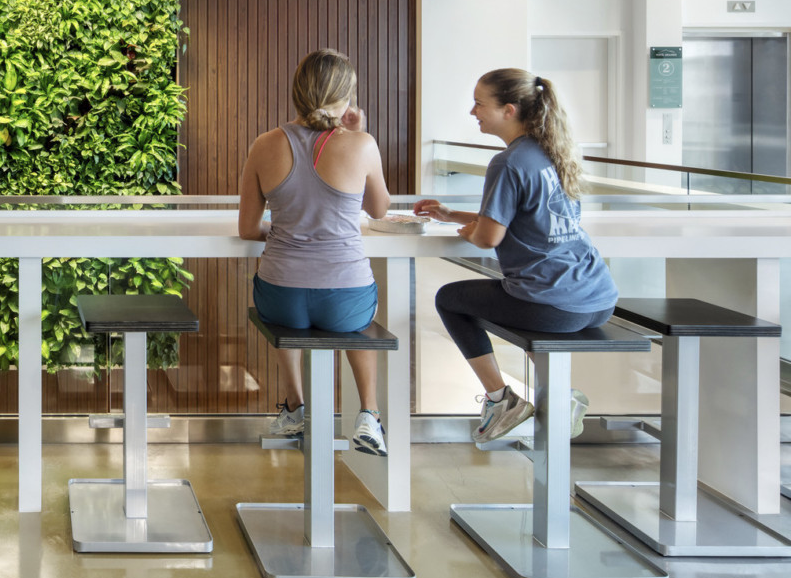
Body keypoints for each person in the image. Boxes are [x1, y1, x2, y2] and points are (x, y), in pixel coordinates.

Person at [415, 68, 617, 443]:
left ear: (509, 110)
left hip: (554, 304)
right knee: (515, 301)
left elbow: (489, 237)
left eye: (479, 103)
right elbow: (519, 217)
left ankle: (502, 400)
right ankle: (560, 398)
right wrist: (450, 215)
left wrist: (473, 231)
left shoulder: (507, 162)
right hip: (598, 296)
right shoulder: (551, 151)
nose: (473, 112)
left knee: (450, 299)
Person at [239, 49, 391, 454]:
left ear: (298, 92)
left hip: (281, 297)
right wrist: (360, 134)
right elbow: (378, 210)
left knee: (292, 326)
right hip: (346, 299)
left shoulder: (265, 144)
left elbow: (248, 229)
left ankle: (294, 406)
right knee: (358, 325)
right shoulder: (362, 144)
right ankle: (369, 416)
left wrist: (288, 227)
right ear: (346, 98)